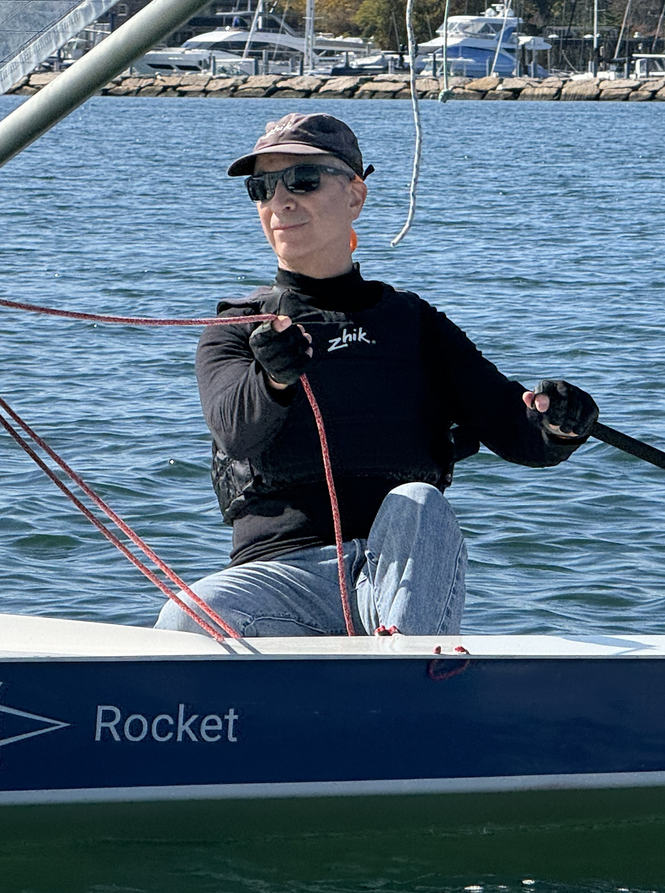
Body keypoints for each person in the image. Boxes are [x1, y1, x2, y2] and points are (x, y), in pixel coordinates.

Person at [155, 113, 597, 638]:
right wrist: (273, 378)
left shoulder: (416, 326)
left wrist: (563, 423)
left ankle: (408, 681)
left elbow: (519, 431)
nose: (281, 201)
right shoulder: (236, 329)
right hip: (282, 580)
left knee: (418, 501)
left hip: (402, 573)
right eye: (262, 187)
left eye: (303, 179)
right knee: (187, 613)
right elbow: (237, 431)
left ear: (355, 195)